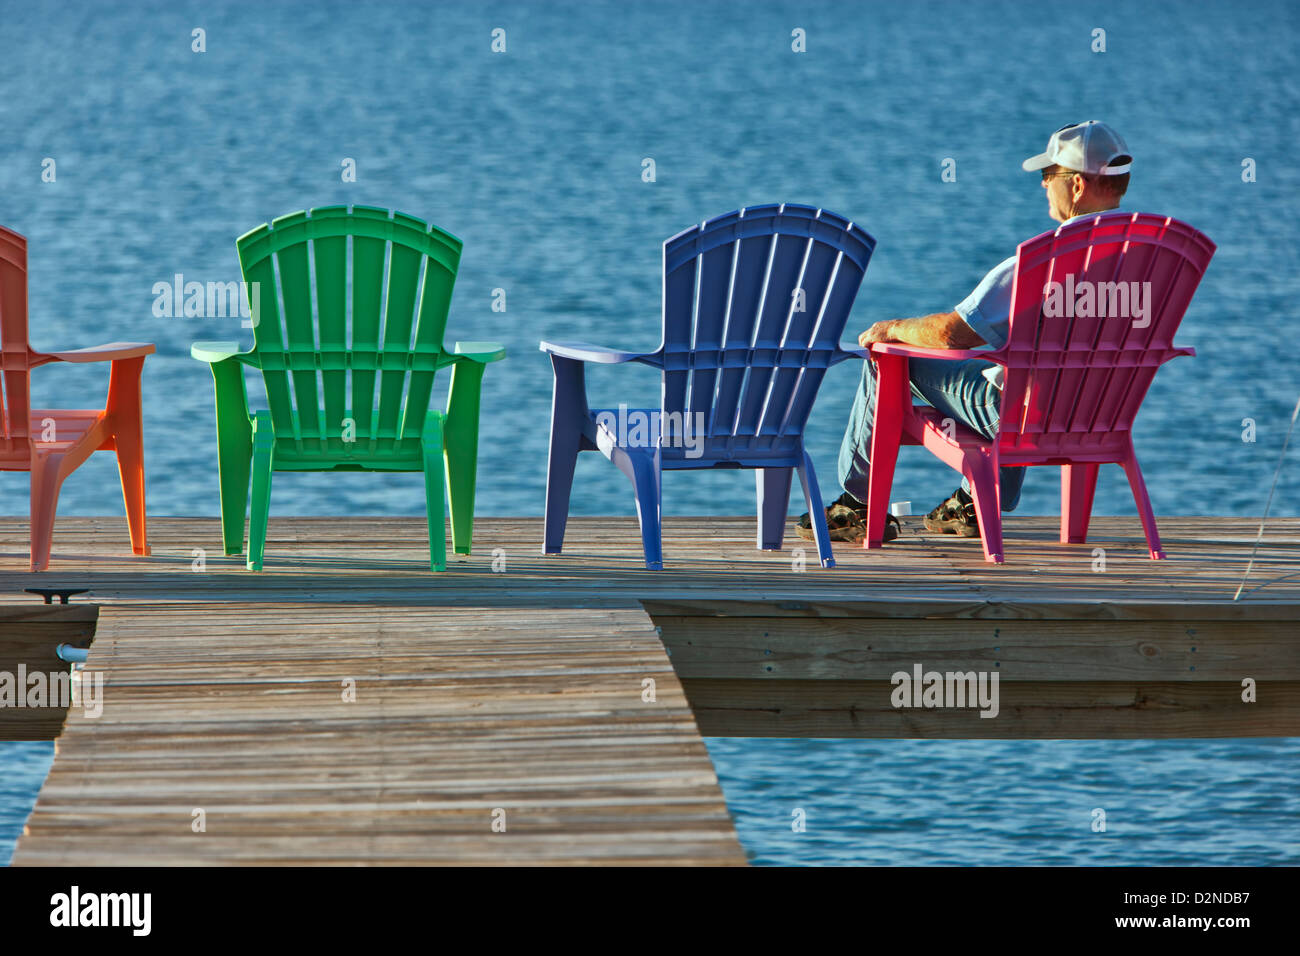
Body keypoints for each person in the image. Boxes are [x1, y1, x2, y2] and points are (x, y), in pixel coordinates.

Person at [800, 121, 1134, 543]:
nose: (1044, 185)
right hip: (1100, 414)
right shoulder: (1154, 262)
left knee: (886, 358)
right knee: (1029, 374)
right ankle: (973, 504)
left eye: (1048, 176)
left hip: (1022, 416)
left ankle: (857, 504)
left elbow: (955, 334)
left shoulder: (1041, 263)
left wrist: (894, 329)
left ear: (1078, 186)